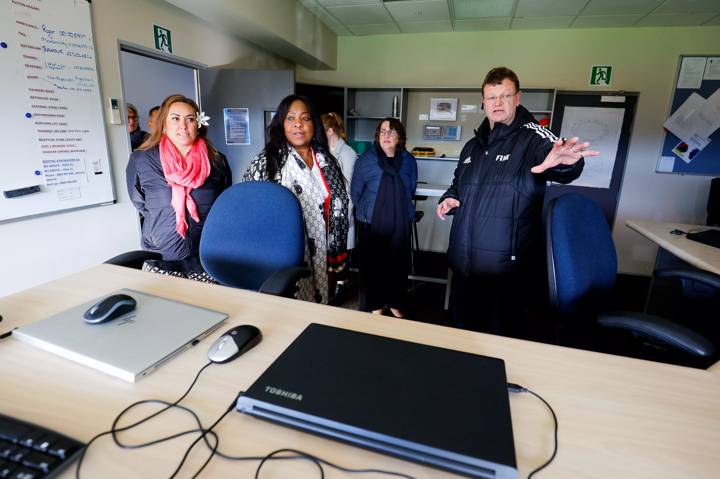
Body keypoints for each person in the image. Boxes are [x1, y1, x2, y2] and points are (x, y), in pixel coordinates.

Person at [436, 66, 598, 336]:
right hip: (464, 268)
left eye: (505, 96)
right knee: (461, 342)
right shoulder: (472, 146)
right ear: (483, 102)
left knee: (503, 348)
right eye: (491, 97)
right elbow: (458, 183)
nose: (497, 103)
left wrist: (567, 163)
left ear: (518, 98)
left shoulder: (533, 137)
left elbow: (556, 158)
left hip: (506, 273)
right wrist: (450, 197)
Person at [243, 95, 350, 305]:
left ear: (314, 124)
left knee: (319, 313)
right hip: (285, 258)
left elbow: (339, 206)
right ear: (281, 124)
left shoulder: (327, 161)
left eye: (305, 118)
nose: (298, 124)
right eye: (290, 118)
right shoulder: (267, 162)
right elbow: (249, 212)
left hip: (324, 257)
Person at [126, 94, 231, 265]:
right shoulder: (141, 159)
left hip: (209, 250)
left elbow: (224, 201)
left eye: (190, 119)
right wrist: (165, 216)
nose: (183, 125)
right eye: (175, 118)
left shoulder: (217, 160)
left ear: (198, 124)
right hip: (162, 250)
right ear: (164, 124)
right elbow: (140, 202)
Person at [351, 118, 417, 317]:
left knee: (397, 265)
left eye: (392, 131)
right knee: (373, 266)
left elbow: (410, 189)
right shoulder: (366, 160)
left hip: (400, 221)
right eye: (382, 131)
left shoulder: (408, 161)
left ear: (400, 137)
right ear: (377, 136)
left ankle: (395, 302)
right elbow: (355, 192)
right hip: (370, 221)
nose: (386, 135)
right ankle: (375, 305)